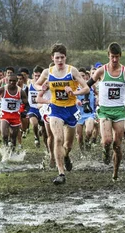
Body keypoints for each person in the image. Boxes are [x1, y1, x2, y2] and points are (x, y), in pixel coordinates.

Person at [86, 42, 125, 181]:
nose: (115, 60)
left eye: (117, 57)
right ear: (108, 56)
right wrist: (87, 101)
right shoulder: (101, 71)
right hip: (105, 110)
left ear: (120, 56)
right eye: (112, 57)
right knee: (107, 141)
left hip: (120, 111)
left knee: (117, 146)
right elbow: (87, 86)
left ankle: (115, 172)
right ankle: (105, 151)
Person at [35, 44, 91, 184]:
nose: (59, 61)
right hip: (56, 109)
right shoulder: (48, 72)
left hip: (71, 110)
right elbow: (35, 84)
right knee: (58, 139)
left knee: (68, 145)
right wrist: (41, 87)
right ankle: (61, 173)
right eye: (57, 58)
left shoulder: (72, 71)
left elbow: (86, 89)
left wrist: (74, 92)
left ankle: (66, 156)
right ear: (52, 58)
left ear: (65, 58)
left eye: (62, 58)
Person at [0, 74, 28, 150]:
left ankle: (12, 151)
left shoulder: (20, 91)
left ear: (16, 81)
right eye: (10, 81)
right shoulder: (3, 89)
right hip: (5, 114)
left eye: (14, 81)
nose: (12, 82)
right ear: (7, 81)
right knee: (4, 135)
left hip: (15, 115)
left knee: (13, 137)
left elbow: (26, 103)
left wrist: (24, 111)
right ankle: (5, 150)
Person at [76, 68, 97, 151]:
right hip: (78, 115)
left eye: (83, 76)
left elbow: (98, 94)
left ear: (86, 76)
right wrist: (76, 100)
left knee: (89, 131)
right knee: (79, 136)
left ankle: (87, 141)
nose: (82, 77)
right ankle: (82, 152)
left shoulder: (91, 86)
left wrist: (97, 98)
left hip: (89, 114)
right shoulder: (74, 87)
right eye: (79, 76)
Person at [26, 66, 46, 148]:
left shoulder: (46, 85)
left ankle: (48, 150)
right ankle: (36, 137)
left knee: (46, 134)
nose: (37, 77)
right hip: (32, 108)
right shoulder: (29, 83)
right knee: (34, 124)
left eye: (39, 76)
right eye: (35, 75)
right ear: (32, 75)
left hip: (43, 108)